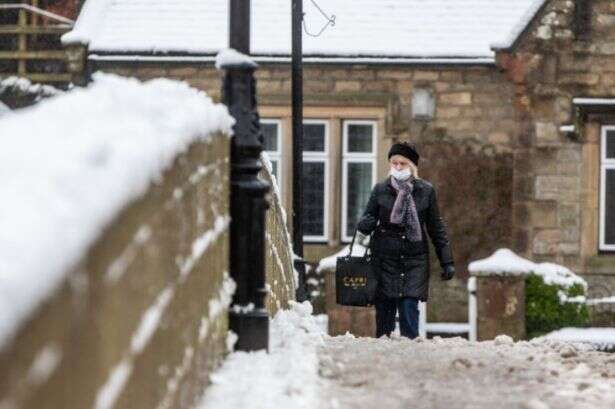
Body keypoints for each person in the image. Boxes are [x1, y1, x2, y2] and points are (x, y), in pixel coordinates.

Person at [356, 141, 455, 339]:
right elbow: (366, 220)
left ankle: (412, 356)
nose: (399, 167)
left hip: (414, 258)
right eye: (395, 163)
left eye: (403, 163)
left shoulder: (426, 191)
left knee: (409, 306)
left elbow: (436, 227)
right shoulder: (380, 190)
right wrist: (365, 223)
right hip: (384, 258)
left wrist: (447, 261)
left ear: (412, 166)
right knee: (385, 315)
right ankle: (383, 357)